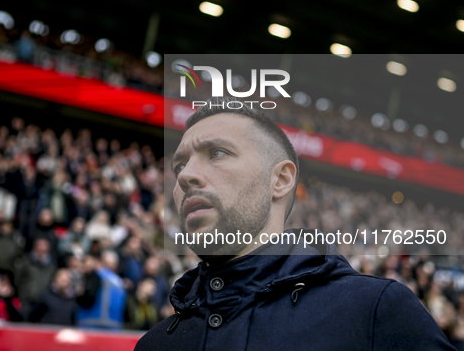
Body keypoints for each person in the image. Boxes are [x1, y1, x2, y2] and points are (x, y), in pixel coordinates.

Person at [135, 97, 455, 350]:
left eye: (217, 153)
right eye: (179, 166)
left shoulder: (375, 311)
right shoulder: (155, 344)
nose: (186, 175)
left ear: (281, 180)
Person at [76, 250, 127, 330]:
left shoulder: (96, 275)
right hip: (115, 326)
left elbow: (88, 299)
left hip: (90, 323)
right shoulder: (119, 282)